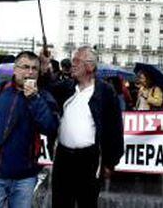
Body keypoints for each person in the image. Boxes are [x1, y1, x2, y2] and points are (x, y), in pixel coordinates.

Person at [0, 51, 59, 208]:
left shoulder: (43, 96)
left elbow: (50, 126)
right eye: (25, 67)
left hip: (25, 178)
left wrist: (34, 99)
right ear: (15, 69)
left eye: (34, 68)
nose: (30, 72)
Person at [51, 46, 124, 208]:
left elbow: (115, 129)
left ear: (90, 66)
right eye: (72, 61)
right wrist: (43, 67)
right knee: (60, 202)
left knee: (87, 202)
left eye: (77, 61)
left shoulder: (105, 91)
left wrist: (110, 162)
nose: (72, 64)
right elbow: (46, 90)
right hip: (63, 158)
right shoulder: (67, 87)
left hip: (89, 160)